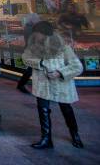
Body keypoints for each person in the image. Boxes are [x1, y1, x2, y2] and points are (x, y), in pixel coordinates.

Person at [22, 21, 84, 149]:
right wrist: (40, 62)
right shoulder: (33, 47)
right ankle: (46, 139)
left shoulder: (63, 47)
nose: (35, 36)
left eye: (37, 33)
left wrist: (60, 72)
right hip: (42, 85)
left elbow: (77, 66)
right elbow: (25, 58)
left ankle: (75, 135)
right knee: (43, 110)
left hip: (61, 85)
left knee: (66, 110)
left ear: (43, 33)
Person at [17, 13, 40, 94]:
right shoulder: (30, 28)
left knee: (32, 69)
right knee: (31, 69)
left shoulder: (29, 27)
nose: (38, 20)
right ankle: (21, 85)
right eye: (37, 19)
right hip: (32, 51)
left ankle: (21, 84)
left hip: (31, 50)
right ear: (32, 20)